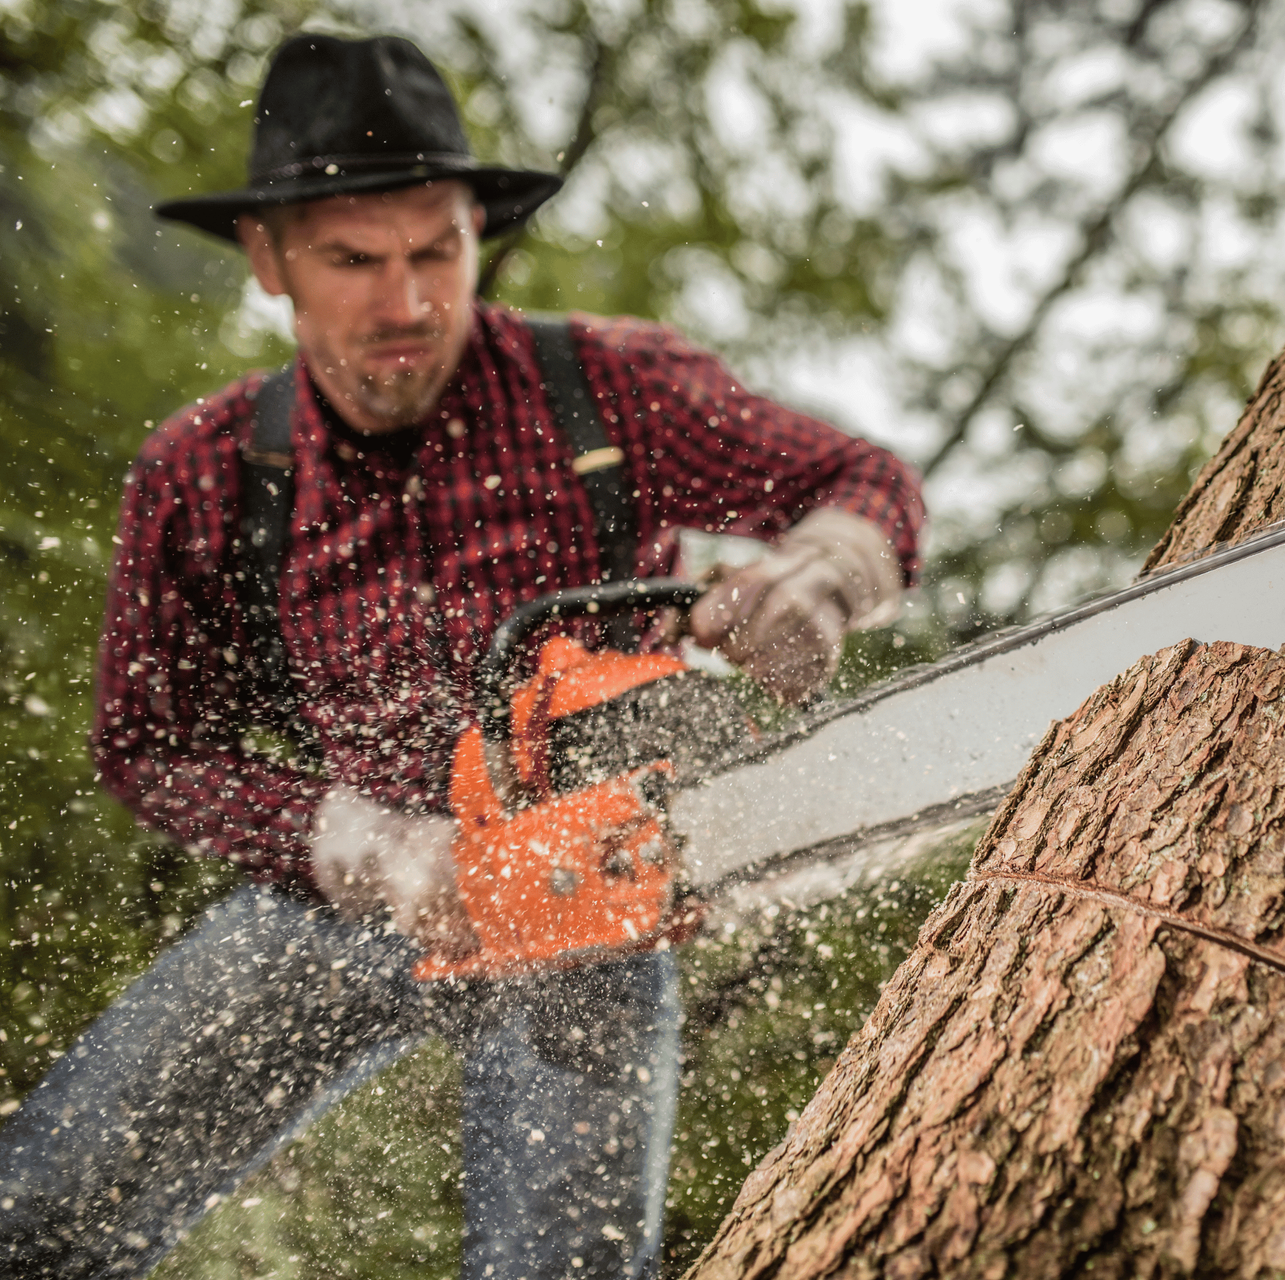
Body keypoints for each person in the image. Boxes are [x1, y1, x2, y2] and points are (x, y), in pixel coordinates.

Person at [0, 32, 922, 1280]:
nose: (408, 300)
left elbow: (858, 479)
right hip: (359, 886)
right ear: (270, 259)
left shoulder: (604, 386)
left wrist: (822, 574)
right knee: (43, 1205)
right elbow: (147, 742)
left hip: (589, 890)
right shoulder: (210, 471)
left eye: (438, 250)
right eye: (356, 260)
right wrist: (357, 841)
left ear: (479, 231)